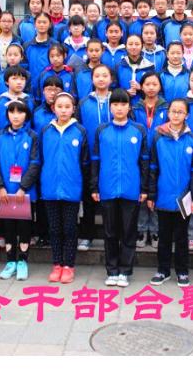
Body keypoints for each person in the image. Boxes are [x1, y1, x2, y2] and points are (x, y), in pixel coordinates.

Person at [91, 89, 150, 287]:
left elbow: (144, 161)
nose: (119, 108)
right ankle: (112, 270)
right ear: (110, 107)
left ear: (129, 107)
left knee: (128, 232)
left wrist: (144, 188)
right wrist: (94, 187)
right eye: (115, 104)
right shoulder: (102, 130)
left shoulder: (138, 130)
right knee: (110, 232)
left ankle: (125, 270)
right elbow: (95, 160)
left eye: (123, 104)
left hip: (131, 188)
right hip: (107, 188)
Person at [147, 98, 193, 287]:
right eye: (173, 111)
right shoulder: (158, 137)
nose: (176, 115)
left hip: (185, 198)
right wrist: (152, 194)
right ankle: (163, 270)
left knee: (181, 236)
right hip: (163, 195)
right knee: (164, 236)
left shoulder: (192, 139)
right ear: (168, 113)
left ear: (187, 115)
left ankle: (182, 271)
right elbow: (153, 168)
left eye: (180, 112)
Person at [39, 92, 90, 284]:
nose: (63, 110)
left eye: (67, 107)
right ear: (53, 108)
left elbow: (84, 162)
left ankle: (68, 265)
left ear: (73, 109)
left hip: (72, 188)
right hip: (50, 187)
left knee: (69, 228)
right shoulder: (46, 131)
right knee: (54, 229)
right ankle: (57, 264)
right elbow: (40, 159)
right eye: (59, 106)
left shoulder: (80, 131)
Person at [0, 100, 41, 282]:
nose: (16, 116)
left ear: (26, 115)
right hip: (5, 191)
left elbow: (35, 163)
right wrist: (0, 186)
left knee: (24, 226)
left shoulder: (32, 136)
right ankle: (10, 261)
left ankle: (22, 261)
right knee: (8, 227)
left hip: (25, 192)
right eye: (12, 112)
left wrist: (23, 187)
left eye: (20, 112)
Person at [78, 65, 113, 252]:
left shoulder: (117, 100)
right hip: (90, 156)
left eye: (104, 75)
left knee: (109, 198)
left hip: (111, 157)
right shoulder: (84, 102)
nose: (101, 79)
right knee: (88, 197)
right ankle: (86, 235)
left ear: (111, 79)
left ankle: (112, 237)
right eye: (97, 75)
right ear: (92, 79)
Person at [116, 34, 156, 106]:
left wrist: (141, 88)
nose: (134, 47)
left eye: (137, 44)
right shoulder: (119, 66)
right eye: (130, 44)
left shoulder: (149, 66)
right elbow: (113, 88)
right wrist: (125, 92)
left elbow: (155, 90)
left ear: (142, 46)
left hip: (143, 106)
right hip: (123, 106)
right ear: (126, 46)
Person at [75, 38, 111, 103]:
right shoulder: (79, 71)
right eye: (91, 51)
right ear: (86, 51)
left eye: (97, 51)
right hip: (84, 106)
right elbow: (74, 93)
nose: (94, 54)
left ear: (103, 51)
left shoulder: (107, 71)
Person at [23, 13, 57, 83]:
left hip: (50, 85)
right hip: (30, 85)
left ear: (50, 24)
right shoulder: (27, 46)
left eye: (44, 22)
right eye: (39, 22)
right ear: (34, 24)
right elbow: (24, 67)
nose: (41, 25)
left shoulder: (55, 45)